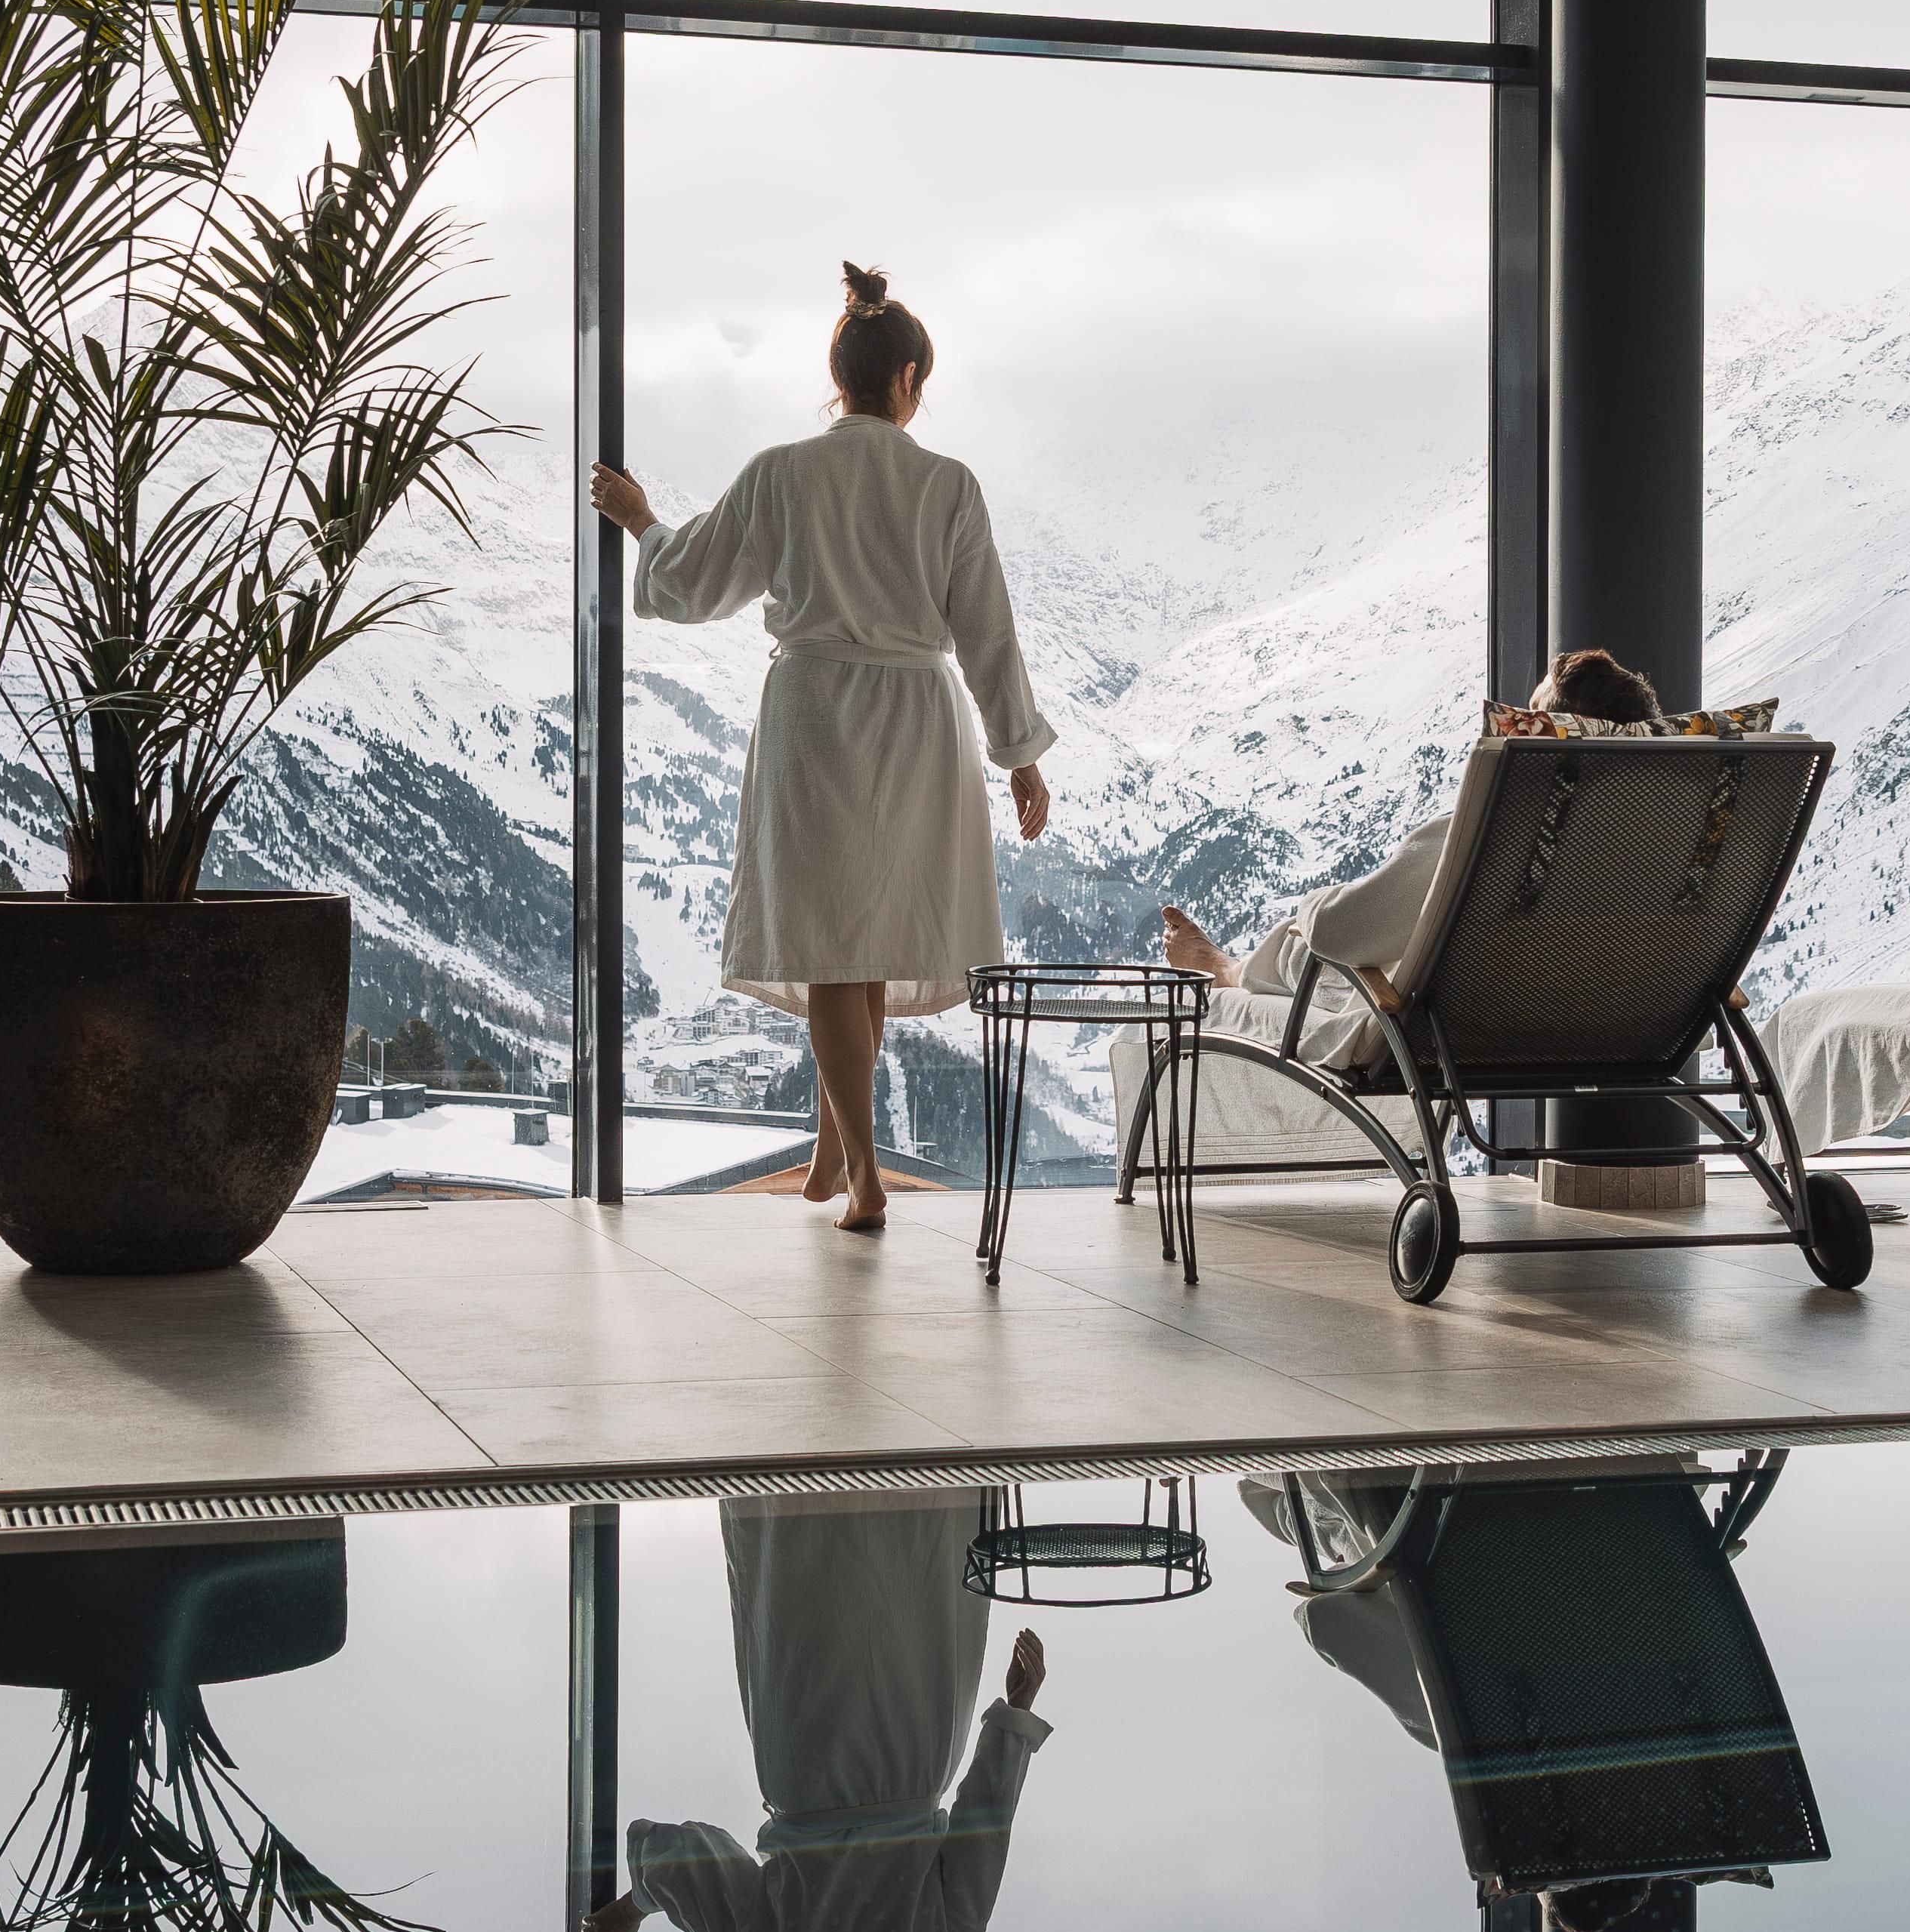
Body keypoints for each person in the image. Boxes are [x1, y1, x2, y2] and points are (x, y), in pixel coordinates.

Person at [589, 265, 1053, 1230]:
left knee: (840, 946)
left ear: (836, 375)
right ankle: (842, 1154)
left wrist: (641, 522)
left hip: (814, 713)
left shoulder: (782, 471)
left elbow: (693, 583)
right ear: (911, 377)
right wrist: (1018, 752)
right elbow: (988, 632)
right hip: (920, 716)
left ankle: (857, 1169)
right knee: (866, 943)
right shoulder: (948, 485)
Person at [578, 1495, 1053, 1932]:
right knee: (794, 1560)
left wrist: (1014, 1712)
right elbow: (684, 1856)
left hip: (911, 1748)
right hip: (798, 1749)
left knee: (908, 1557)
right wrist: (634, 1905)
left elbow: (986, 1830)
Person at [1154, 647, 1675, 1073]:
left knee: (1306, 939)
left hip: (1464, 1027)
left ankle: (1223, 968)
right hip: (1637, 1022)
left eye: (1529, 718)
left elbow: (1342, 931)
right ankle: (1232, 963)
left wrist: (1312, 907)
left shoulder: (1496, 832)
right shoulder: (1675, 843)